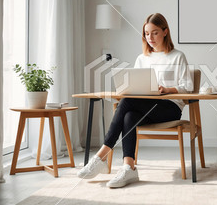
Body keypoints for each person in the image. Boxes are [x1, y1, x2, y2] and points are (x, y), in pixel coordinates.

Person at [77, 13, 193, 188]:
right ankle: (129, 167)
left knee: (127, 102)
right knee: (129, 115)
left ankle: (101, 155)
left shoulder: (178, 56)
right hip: (145, 107)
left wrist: (167, 89)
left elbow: (188, 86)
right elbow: (136, 86)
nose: (150, 37)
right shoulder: (142, 58)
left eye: (154, 33)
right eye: (147, 33)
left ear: (165, 32)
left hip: (170, 108)